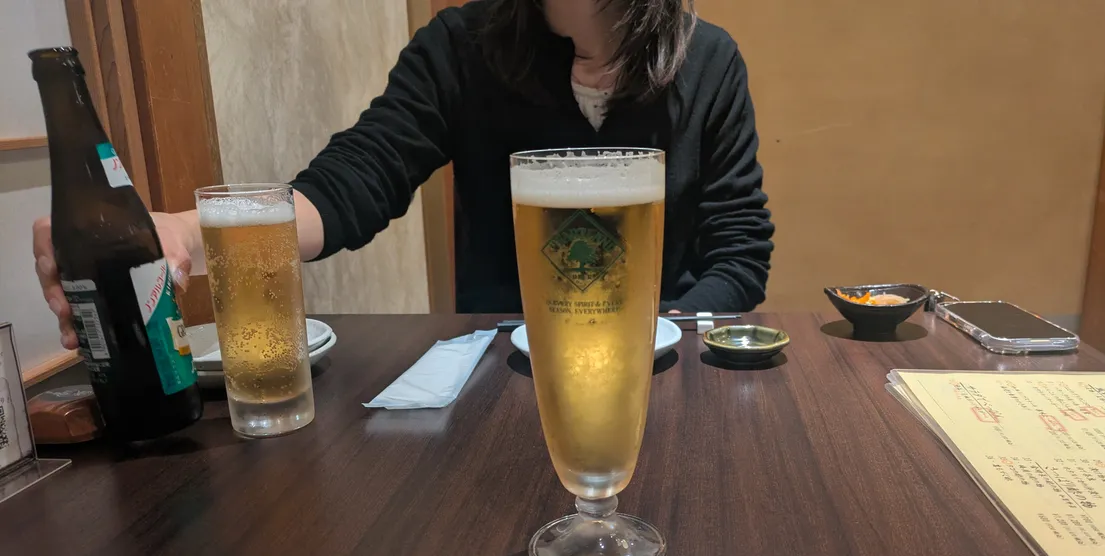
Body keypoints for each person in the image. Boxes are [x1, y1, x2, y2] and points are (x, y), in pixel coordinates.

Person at [35, 0, 773, 348]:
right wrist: (189, 235)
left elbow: (739, 252)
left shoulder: (710, 60)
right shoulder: (461, 45)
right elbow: (350, 184)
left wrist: (656, 336)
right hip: (500, 379)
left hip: (665, 376)